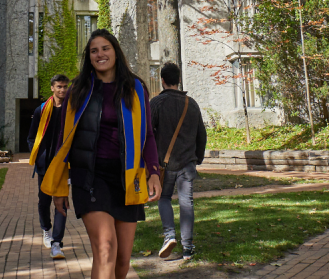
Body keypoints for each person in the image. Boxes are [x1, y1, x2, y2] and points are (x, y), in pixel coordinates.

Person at [41, 29, 163, 279]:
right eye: (94, 50)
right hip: (91, 178)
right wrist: (60, 188)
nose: (100, 54)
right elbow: (63, 142)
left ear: (115, 52)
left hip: (128, 178)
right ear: (89, 57)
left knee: (122, 262)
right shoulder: (78, 90)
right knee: (105, 249)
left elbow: (147, 134)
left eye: (105, 48)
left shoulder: (136, 88)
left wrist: (153, 171)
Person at [149, 62, 207, 260]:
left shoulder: (156, 104)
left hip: (163, 164)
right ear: (179, 80)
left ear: (162, 80)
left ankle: (169, 236)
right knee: (186, 203)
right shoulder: (192, 104)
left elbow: (147, 134)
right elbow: (202, 134)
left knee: (164, 198)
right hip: (187, 163)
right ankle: (188, 247)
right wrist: (198, 157)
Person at [27, 74, 72, 260]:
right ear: (52, 88)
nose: (62, 90)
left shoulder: (71, 110)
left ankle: (57, 242)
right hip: (45, 164)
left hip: (64, 164)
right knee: (44, 201)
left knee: (62, 202)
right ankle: (46, 229)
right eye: (59, 87)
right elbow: (31, 137)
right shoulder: (41, 110)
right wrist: (37, 157)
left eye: (65, 87)